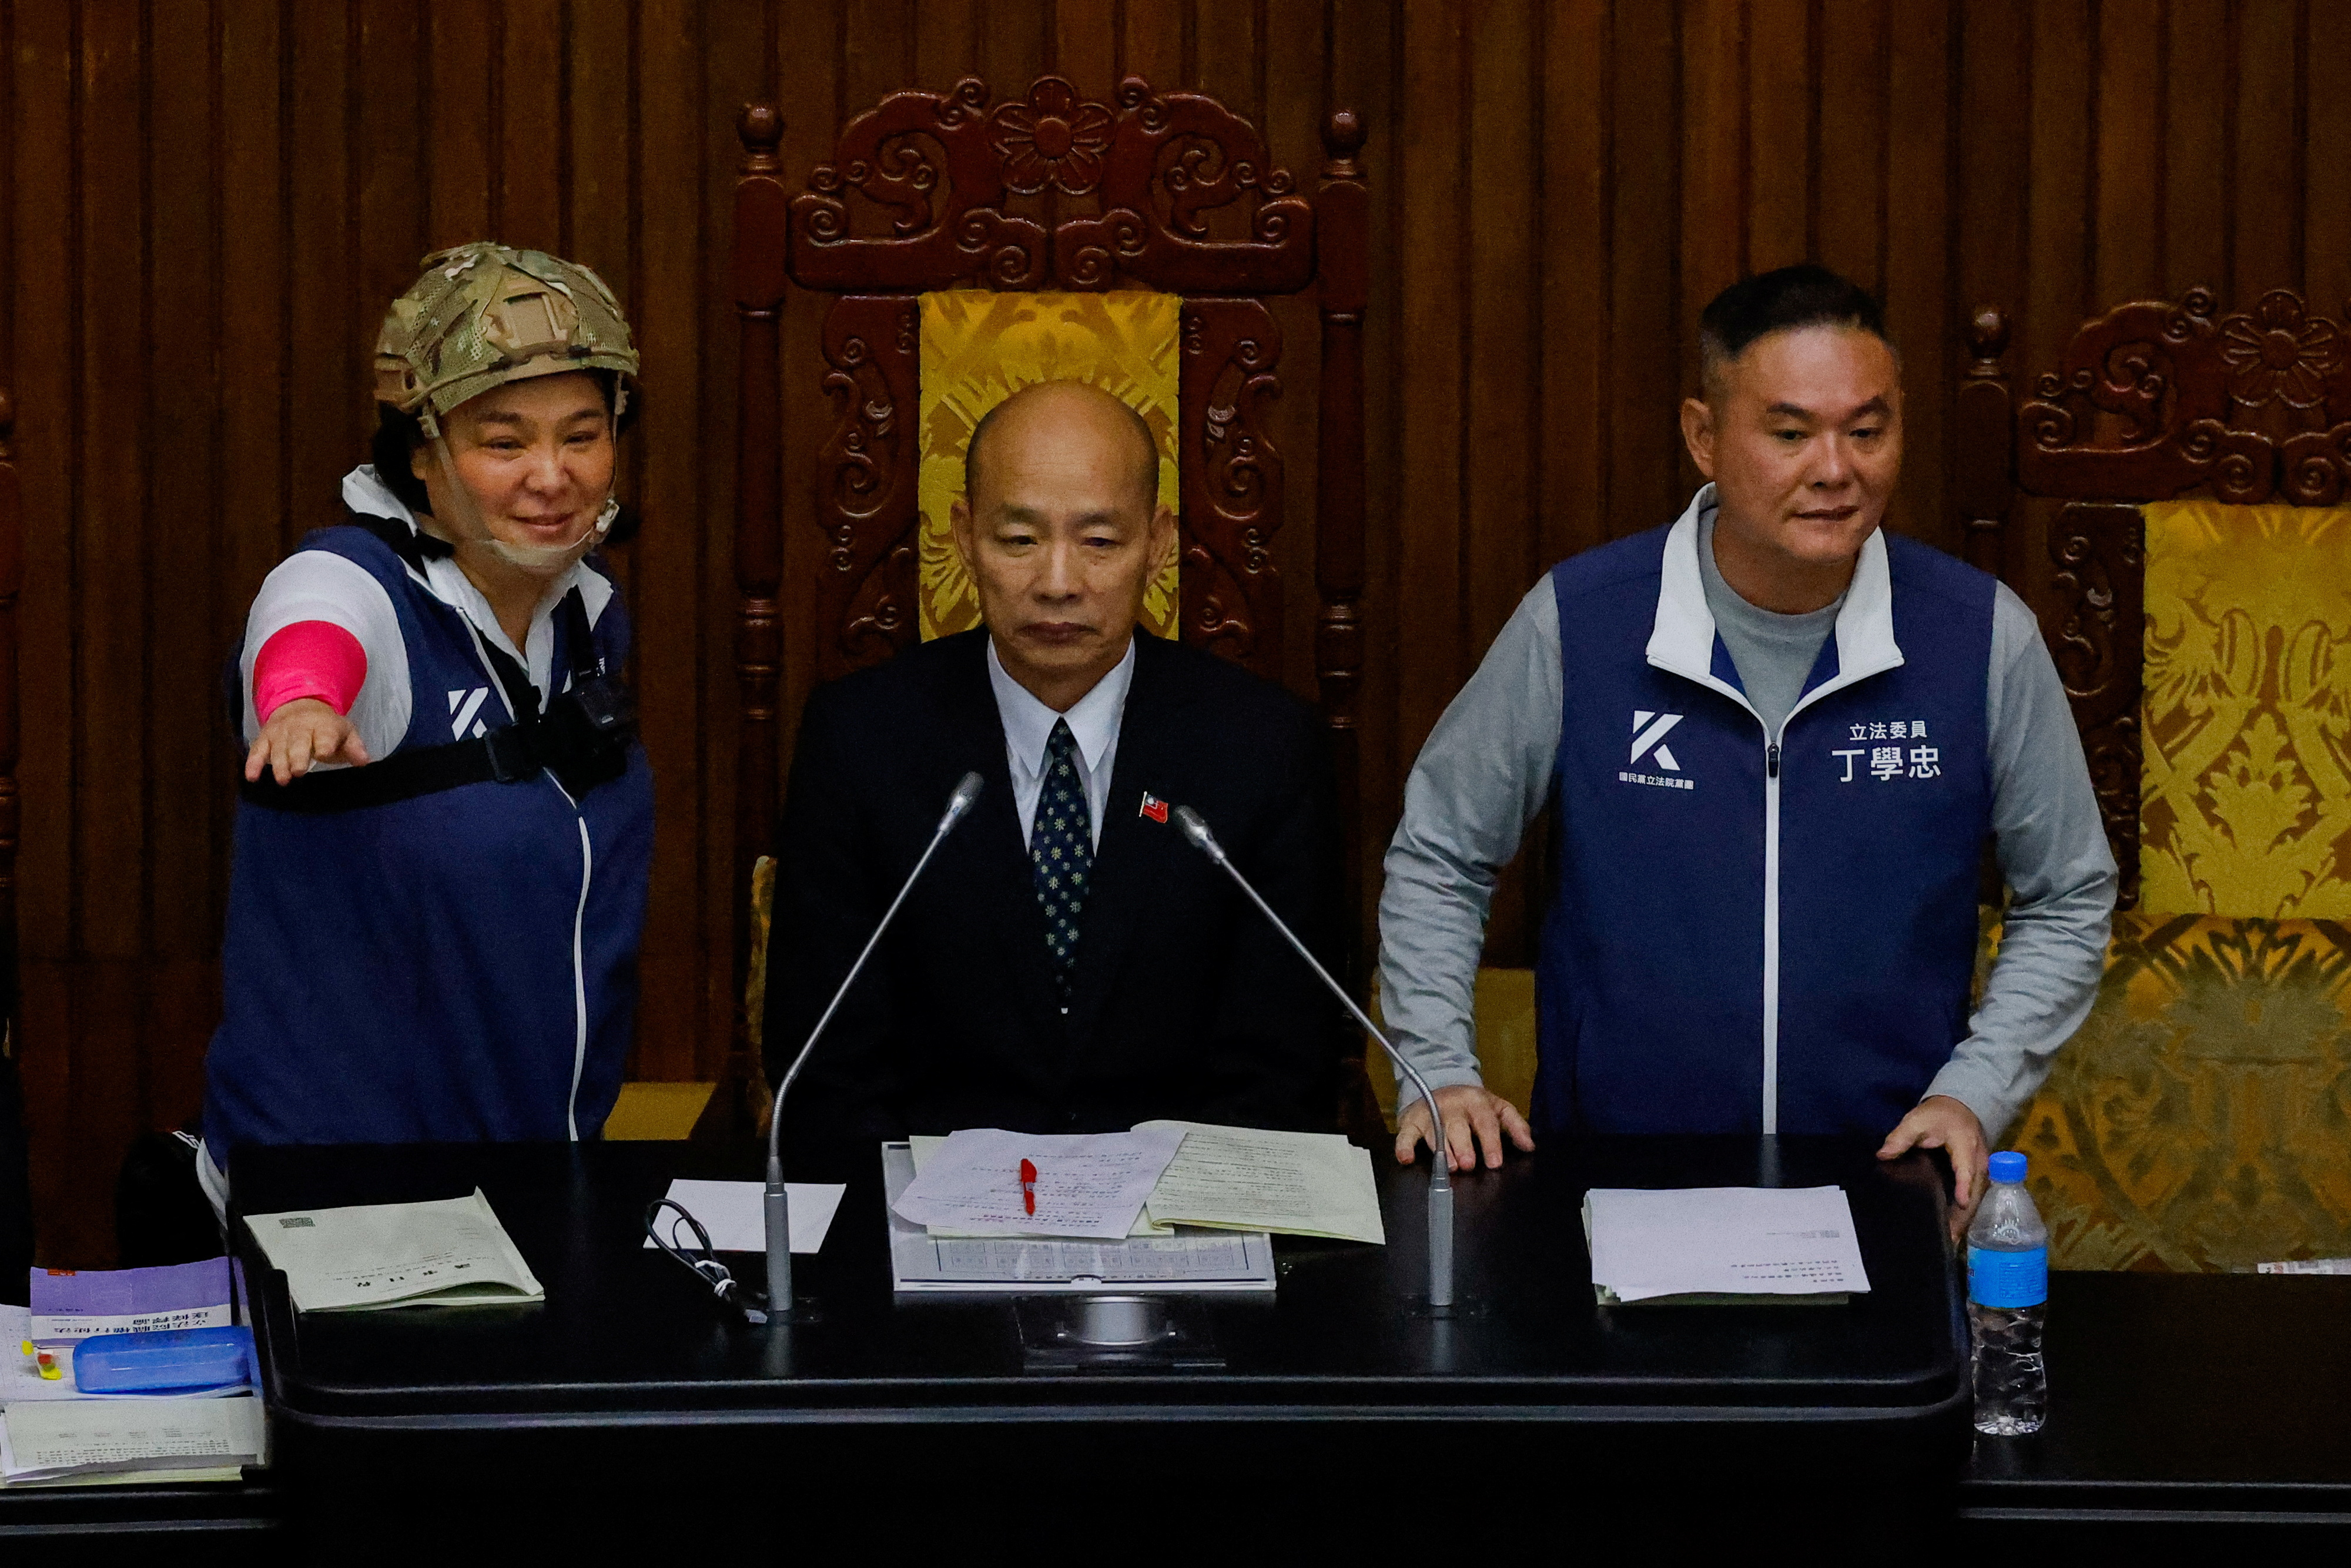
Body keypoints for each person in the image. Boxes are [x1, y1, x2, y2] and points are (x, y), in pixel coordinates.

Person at [1377, 264, 2115, 1231]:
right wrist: (1437, 1070)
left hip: (1888, 1182)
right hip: (1615, 1187)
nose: (1836, 469)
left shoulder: (1979, 637)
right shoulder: (1584, 623)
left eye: (1868, 428)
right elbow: (1440, 850)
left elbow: (2069, 893)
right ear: (1703, 437)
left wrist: (1972, 1093)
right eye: (1790, 432)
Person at [767, 381, 1344, 1171]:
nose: (1059, 582)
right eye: (1019, 540)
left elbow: (1284, 1068)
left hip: (1184, 1231)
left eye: (1101, 543)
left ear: (1160, 541)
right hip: (923, 1230)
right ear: (965, 537)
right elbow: (825, 1064)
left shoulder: (1262, 747)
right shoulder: (863, 739)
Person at [199, 243, 654, 1217]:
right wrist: (306, 704)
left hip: (535, 1181)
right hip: (347, 1197)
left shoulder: (587, 615)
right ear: (421, 454)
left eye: (582, 435)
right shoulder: (361, 581)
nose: (552, 475)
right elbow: (314, 625)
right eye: (503, 442)